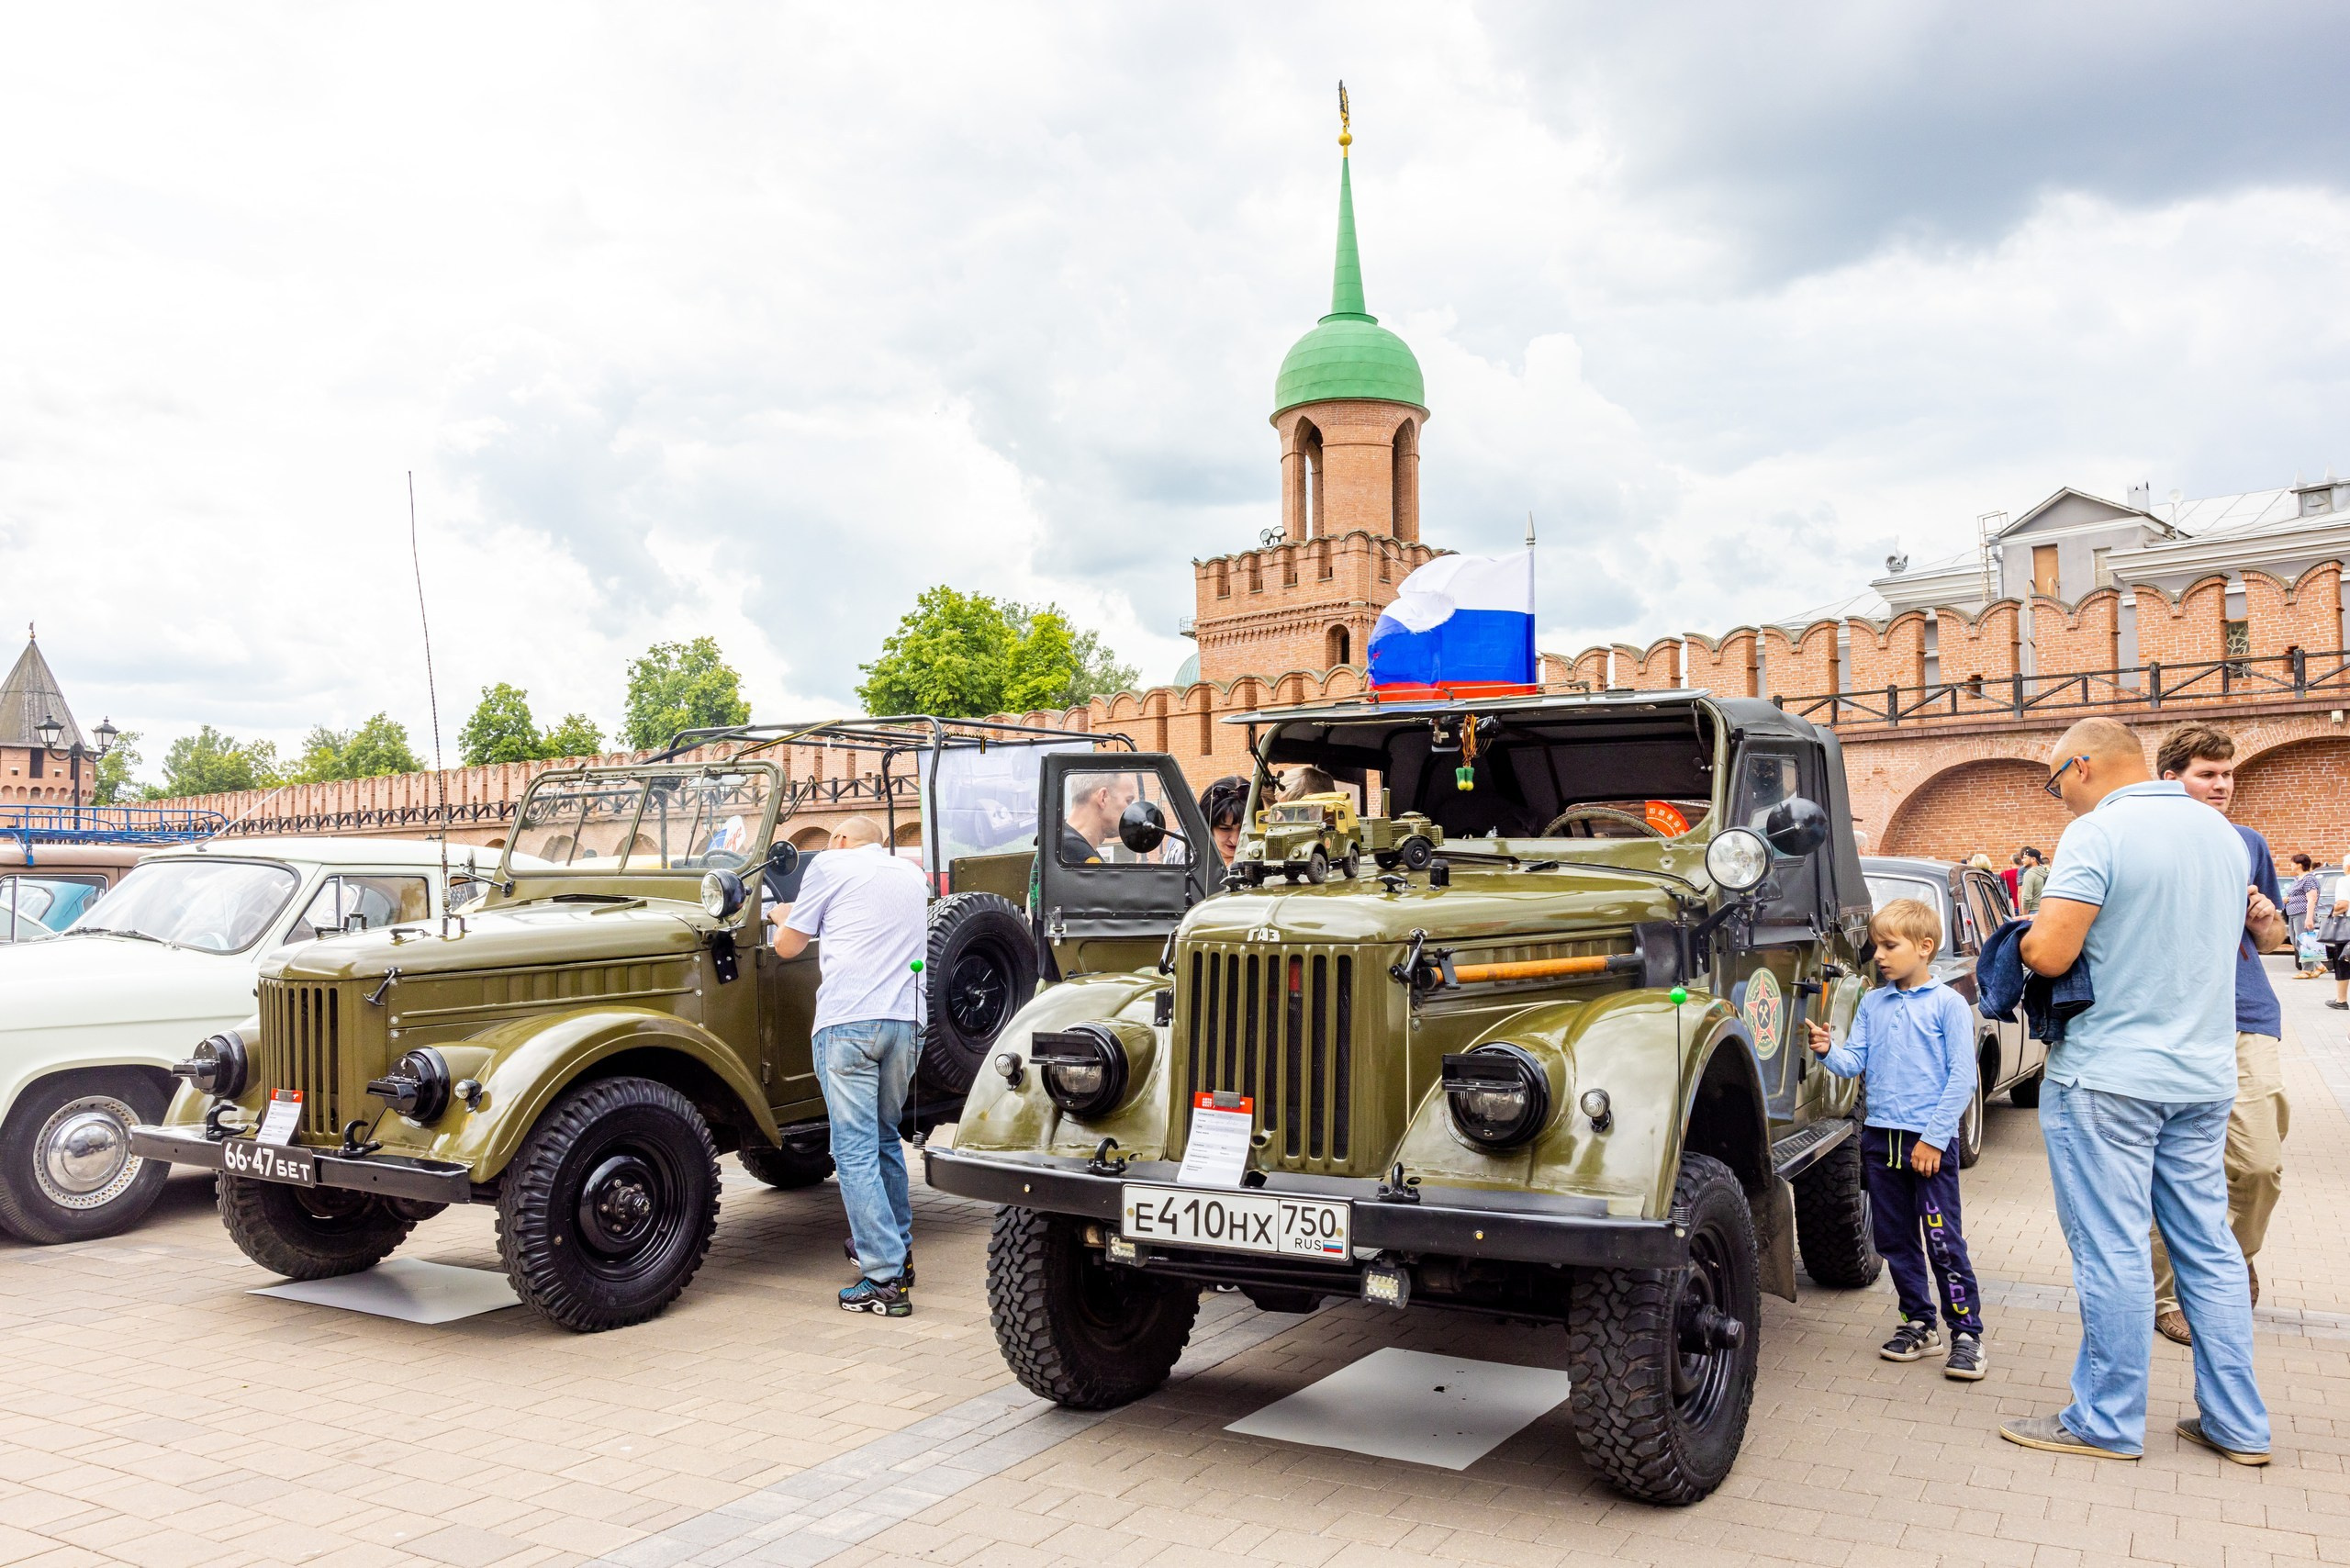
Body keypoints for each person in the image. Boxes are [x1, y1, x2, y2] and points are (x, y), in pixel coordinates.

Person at [2001, 718, 2269, 1465]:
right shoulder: (2222, 834)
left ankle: (2106, 1420)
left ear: (2082, 765)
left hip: (2109, 1076)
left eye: (2057, 782)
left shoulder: (2099, 833)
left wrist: (2019, 940)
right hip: (2202, 1073)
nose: (2060, 799)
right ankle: (2238, 1424)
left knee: (2111, 1247)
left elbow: (2052, 952)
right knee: (2208, 1250)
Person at [1805, 897, 1987, 1380]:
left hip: (1928, 1144)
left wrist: (1933, 1139)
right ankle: (1918, 1322)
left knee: (1942, 1239)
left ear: (1924, 948)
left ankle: (1966, 1334)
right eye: (1876, 947)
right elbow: (1853, 1063)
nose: (1879, 956)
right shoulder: (1872, 1002)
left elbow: (1961, 1079)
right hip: (1880, 1140)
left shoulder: (1948, 1004)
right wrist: (1828, 1051)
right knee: (1894, 1239)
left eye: (1890, 946)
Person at [2147, 725, 2288, 1348]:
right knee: (2167, 1166)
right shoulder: (2144, 841)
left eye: (2227, 774)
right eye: (2208, 774)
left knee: (2258, 1165)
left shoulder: (2249, 843)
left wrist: (2265, 919)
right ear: (2172, 779)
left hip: (2245, 1015)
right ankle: (2168, 1294)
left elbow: (2274, 943)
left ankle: (2232, 1256)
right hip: (2169, 1022)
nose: (2222, 784)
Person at [770, 814, 928, 1317]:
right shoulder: (910, 875)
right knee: (884, 1138)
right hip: (905, 1021)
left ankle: (882, 1277)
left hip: (848, 1024)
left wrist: (780, 916)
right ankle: (898, 1255)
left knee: (853, 1149)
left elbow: (788, 945)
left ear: (838, 841)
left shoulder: (830, 866)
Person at [1058, 772, 1138, 866]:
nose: (1131, 811)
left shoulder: (1060, 844)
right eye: (1128, 801)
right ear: (1103, 797)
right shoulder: (1074, 852)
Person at [2283, 854, 2325, 979]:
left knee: (2303, 941)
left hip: (2302, 913)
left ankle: (2307, 970)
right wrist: (2287, 900)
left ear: (2299, 865)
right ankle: (2319, 965)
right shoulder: (2298, 879)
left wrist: (2309, 918)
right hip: (2293, 914)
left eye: (2292, 863)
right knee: (2296, 941)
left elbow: (2312, 899)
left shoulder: (2309, 879)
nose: (2290, 865)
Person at [1199, 775, 1249, 866]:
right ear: (1206, 825)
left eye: (1244, 829)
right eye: (1225, 829)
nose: (1236, 840)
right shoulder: (1186, 856)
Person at [2327, 852, 2350, 1011]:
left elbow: (2342, 904)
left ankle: (2341, 1000)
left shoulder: (2344, 880)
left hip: (2347, 926)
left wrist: (2333, 913)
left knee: (2343, 961)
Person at [2017, 846, 2048, 913]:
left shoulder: (2029, 874)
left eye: (2025, 858)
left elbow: (2026, 898)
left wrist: (2024, 914)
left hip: (2033, 910)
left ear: (2033, 859)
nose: (2022, 860)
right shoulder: (2046, 872)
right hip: (2044, 910)